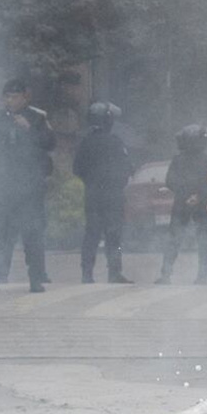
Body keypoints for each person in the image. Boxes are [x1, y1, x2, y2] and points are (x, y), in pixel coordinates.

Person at [0, 78, 56, 293]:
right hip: (2, 186)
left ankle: (36, 278)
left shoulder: (37, 118)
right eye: (7, 97)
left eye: (14, 96)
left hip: (28, 186)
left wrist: (29, 129)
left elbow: (50, 143)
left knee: (33, 232)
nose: (9, 101)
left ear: (24, 97)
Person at [74, 101, 132, 283]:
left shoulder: (85, 142)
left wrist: (92, 181)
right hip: (113, 196)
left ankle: (87, 274)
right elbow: (127, 168)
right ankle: (114, 272)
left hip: (93, 196)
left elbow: (77, 168)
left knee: (91, 235)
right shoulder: (115, 142)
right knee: (114, 236)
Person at [158, 123, 207, 284]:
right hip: (203, 204)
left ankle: (166, 274)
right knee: (204, 241)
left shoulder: (178, 160)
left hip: (181, 204)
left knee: (174, 239)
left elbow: (170, 181)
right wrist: (198, 196)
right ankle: (202, 277)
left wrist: (186, 196)